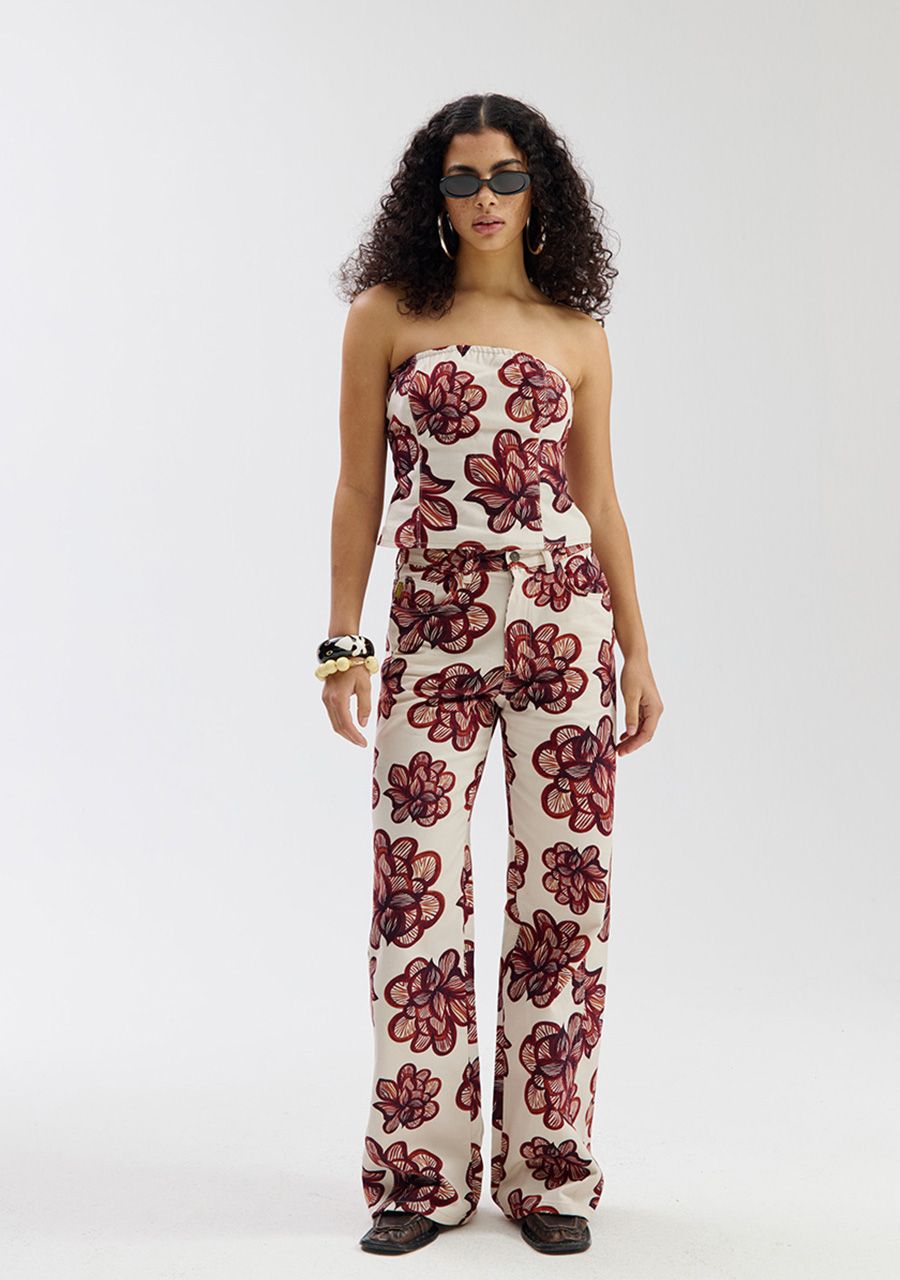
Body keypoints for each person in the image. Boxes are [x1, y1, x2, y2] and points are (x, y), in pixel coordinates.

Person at [320, 93, 663, 1256]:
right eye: (462, 179)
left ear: (537, 189)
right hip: (432, 625)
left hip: (564, 625)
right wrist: (342, 640)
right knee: (414, 884)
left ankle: (548, 1169)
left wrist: (638, 646)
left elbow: (599, 500)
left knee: (567, 891)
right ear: (434, 192)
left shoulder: (576, 331)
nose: (484, 199)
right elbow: (359, 490)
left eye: (505, 177)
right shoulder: (386, 315)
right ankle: (420, 1175)